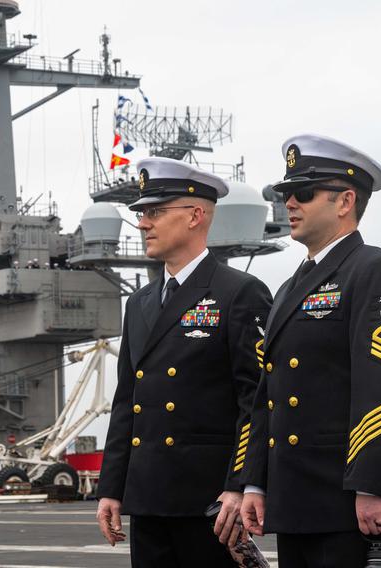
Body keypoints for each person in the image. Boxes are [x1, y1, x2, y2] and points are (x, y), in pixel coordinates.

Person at [239, 134, 381, 568]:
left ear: (345, 201)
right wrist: (255, 482)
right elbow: (270, 391)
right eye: (286, 194)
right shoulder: (288, 289)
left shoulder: (378, 270)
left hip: (353, 504)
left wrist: (372, 485)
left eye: (303, 193)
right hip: (297, 502)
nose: (290, 204)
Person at [95, 157, 273, 567]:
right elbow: (128, 401)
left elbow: (257, 400)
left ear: (196, 215)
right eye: (141, 213)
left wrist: (240, 484)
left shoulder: (239, 293)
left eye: (155, 212)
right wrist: (112, 488)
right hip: (149, 499)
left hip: (210, 503)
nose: (143, 224)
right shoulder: (139, 303)